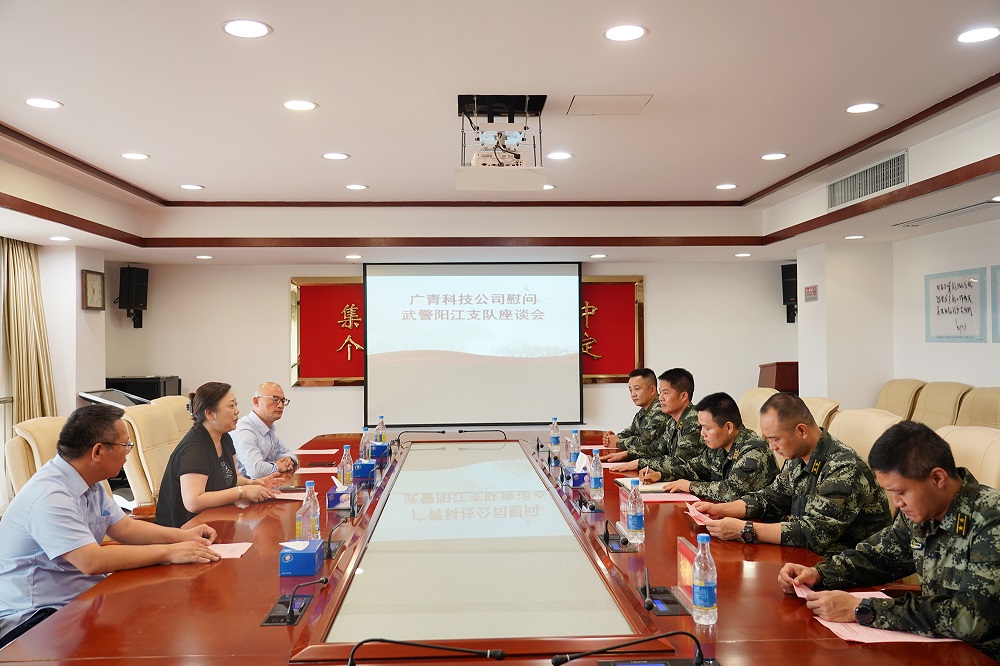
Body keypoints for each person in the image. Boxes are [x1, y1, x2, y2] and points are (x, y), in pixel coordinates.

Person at [0, 404, 220, 648]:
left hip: (81, 599)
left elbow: (124, 528)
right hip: (38, 618)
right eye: (125, 445)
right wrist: (170, 552)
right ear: (98, 451)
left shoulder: (89, 482)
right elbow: (91, 561)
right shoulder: (49, 496)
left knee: (167, 611)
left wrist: (181, 536)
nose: (128, 454)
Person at [778, 421, 1000, 661]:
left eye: (901, 492)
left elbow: (971, 618)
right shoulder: (920, 512)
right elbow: (878, 557)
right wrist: (819, 574)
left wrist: (862, 609)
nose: (897, 503)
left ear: (937, 478)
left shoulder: (991, 521)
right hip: (941, 648)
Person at [694, 392, 891, 556]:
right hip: (807, 558)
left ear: (801, 431)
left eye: (775, 439)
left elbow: (814, 533)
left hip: (847, 570)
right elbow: (771, 498)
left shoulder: (844, 468)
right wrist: (721, 510)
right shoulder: (798, 456)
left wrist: (745, 530)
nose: (771, 447)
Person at [155, 382, 276, 528]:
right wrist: (243, 492)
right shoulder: (194, 450)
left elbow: (232, 478)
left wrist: (253, 484)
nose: (237, 410)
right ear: (210, 414)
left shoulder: (224, 438)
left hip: (217, 520)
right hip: (186, 530)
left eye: (236, 404)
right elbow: (193, 502)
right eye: (231, 406)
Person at [639, 391, 779, 501]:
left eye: (707, 428)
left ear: (728, 427)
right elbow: (692, 469)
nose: (702, 433)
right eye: (701, 427)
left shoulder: (754, 451)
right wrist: (660, 475)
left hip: (758, 524)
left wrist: (690, 486)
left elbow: (731, 492)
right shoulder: (719, 446)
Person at [611, 367, 704, 475]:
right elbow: (657, 448)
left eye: (666, 393)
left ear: (683, 396)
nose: (660, 398)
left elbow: (679, 461)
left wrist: (640, 463)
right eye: (660, 392)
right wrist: (628, 454)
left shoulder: (694, 421)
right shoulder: (673, 421)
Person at [600, 368, 667, 465]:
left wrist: (618, 442)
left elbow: (646, 442)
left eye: (637, 389)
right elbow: (632, 431)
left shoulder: (661, 409)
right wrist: (614, 437)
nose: (633, 394)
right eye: (630, 390)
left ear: (652, 389)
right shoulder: (643, 411)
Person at [232, 382, 298, 478]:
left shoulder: (268, 428)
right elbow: (256, 471)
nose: (280, 405)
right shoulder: (244, 431)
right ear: (256, 401)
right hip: (245, 486)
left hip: (263, 484)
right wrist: (277, 467)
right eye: (275, 400)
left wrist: (288, 460)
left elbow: (285, 452)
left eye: (283, 400)